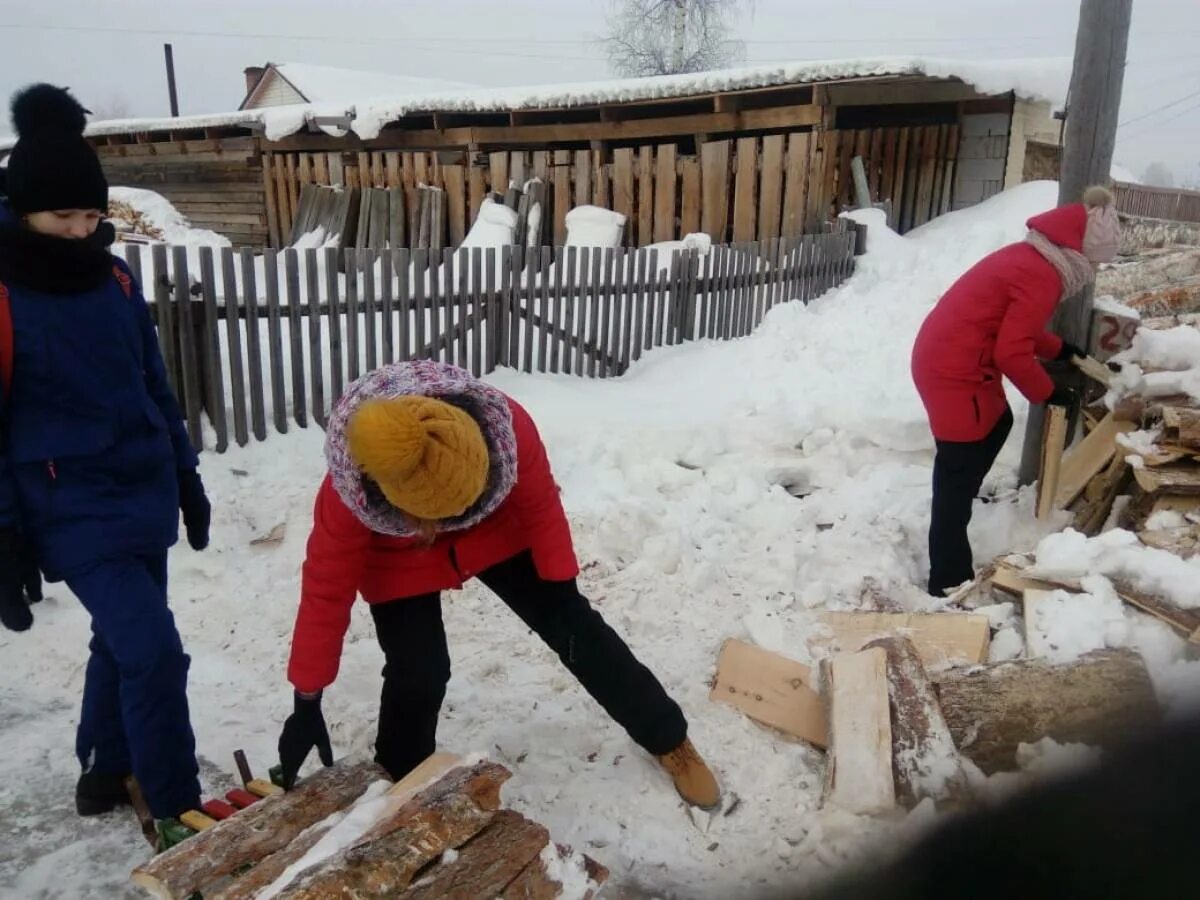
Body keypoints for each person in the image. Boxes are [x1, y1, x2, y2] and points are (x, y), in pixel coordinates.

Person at [276, 359, 720, 809]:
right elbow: (325, 592)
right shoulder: (348, 495)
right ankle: (399, 789)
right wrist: (307, 699)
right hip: (400, 551)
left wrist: (560, 589)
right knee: (419, 671)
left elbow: (542, 506)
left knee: (575, 630)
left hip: (494, 526)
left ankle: (668, 737)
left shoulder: (505, 425)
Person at [0, 85, 211, 828]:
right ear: (23, 207)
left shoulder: (115, 277)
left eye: (92, 216)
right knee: (154, 653)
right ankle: (176, 799)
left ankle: (104, 767)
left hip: (143, 491)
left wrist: (186, 475)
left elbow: (154, 386)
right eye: (64, 216)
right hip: (69, 504)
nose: (80, 231)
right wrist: (5, 535)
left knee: (117, 640)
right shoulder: (2, 293)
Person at [910, 186, 1121, 596]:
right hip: (954, 371)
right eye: (1097, 262)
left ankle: (962, 500)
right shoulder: (1042, 275)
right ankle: (947, 577)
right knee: (959, 464)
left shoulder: (1034, 260)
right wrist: (1048, 393)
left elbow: (1015, 329)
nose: (1095, 271)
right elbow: (1011, 352)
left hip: (957, 360)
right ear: (1080, 253)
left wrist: (1059, 349)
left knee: (995, 425)